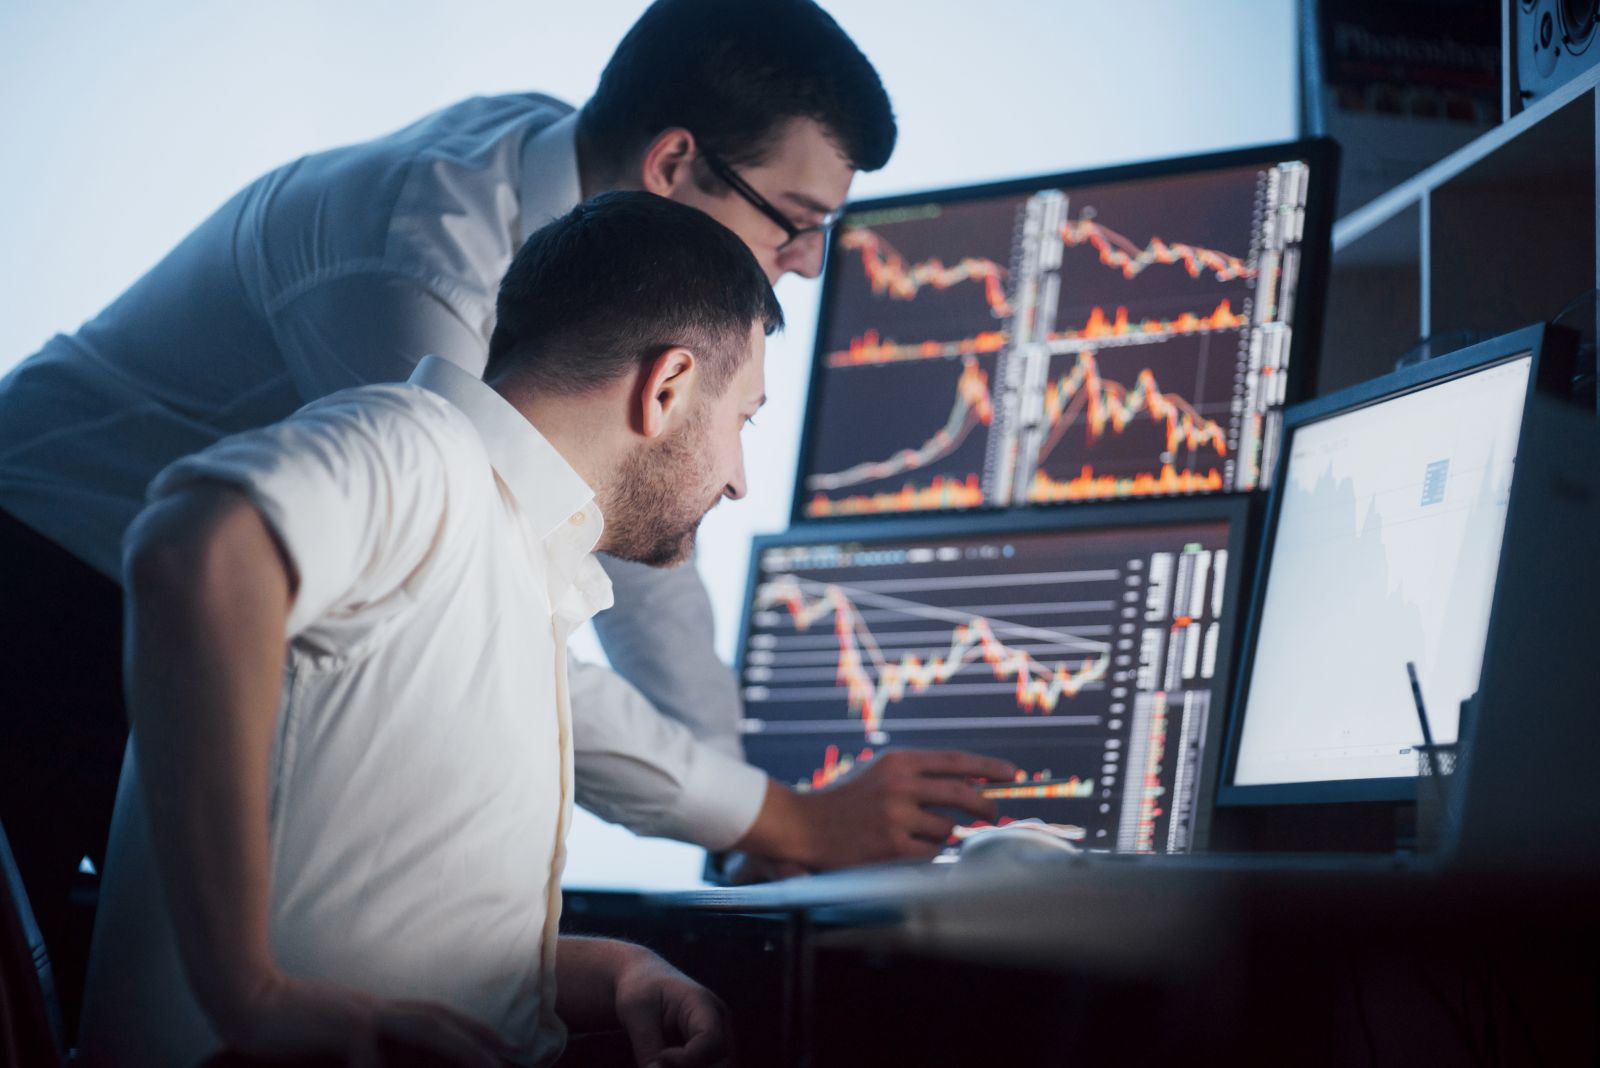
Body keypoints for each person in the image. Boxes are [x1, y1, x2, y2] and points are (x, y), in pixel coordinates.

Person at [0, 0, 1013, 1016]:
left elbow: (632, 557)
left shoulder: (566, 190)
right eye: (795, 221)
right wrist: (778, 821)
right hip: (43, 577)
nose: (804, 260)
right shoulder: (420, 289)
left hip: (178, 584)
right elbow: (482, 623)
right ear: (671, 164)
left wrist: (750, 829)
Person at [80, 191, 774, 1067]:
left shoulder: (519, 555)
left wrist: (618, 974)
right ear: (667, 387)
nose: (742, 479)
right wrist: (246, 994)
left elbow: (393, 929)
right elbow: (196, 552)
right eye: (744, 419)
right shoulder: (421, 449)